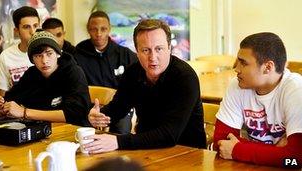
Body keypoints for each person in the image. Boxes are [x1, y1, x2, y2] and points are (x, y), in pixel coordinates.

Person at [84, 19, 206, 154]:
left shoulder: (185, 77)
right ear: (136, 51)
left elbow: (169, 135)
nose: (153, 57)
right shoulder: (133, 72)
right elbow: (117, 109)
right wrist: (98, 116)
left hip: (188, 154)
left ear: (169, 48)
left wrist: (118, 142)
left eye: (159, 49)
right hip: (146, 150)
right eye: (146, 50)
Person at [214, 32, 302, 168]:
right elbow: (220, 143)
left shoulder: (295, 89)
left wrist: (237, 149)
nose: (236, 69)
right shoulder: (236, 85)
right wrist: (278, 152)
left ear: (268, 67)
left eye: (243, 63)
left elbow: (295, 160)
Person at [0, 30, 91, 126]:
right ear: (32, 59)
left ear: (57, 54)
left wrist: (25, 112)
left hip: (72, 130)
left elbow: (75, 114)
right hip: (41, 130)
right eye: (38, 56)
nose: (44, 60)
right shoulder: (32, 74)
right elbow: (12, 98)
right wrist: (3, 106)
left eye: (49, 53)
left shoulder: (74, 72)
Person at [75, 11, 137, 134]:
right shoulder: (78, 54)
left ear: (109, 29)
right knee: (82, 132)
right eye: (94, 29)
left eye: (103, 29)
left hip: (119, 107)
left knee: (122, 130)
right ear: (88, 29)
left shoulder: (125, 55)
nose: (98, 34)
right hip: (89, 108)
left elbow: (136, 83)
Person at [0, 6, 39, 97]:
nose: (32, 32)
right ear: (16, 31)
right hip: (16, 108)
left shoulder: (51, 53)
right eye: (26, 27)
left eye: (35, 26)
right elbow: (1, 97)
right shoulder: (6, 56)